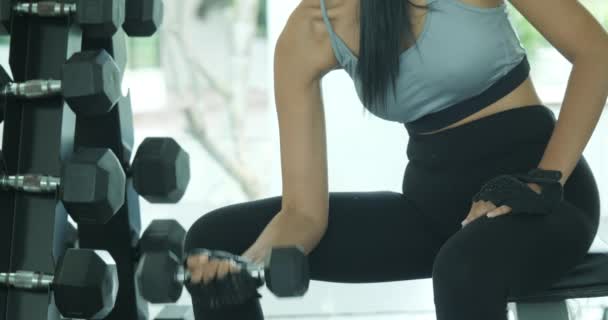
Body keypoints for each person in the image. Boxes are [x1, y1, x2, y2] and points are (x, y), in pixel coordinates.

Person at [183, 0, 608, 319]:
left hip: (545, 194)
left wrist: (540, 184)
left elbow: (596, 52)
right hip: (435, 212)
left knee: (463, 267)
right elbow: (303, 215)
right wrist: (245, 265)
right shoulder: (308, 32)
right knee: (216, 241)